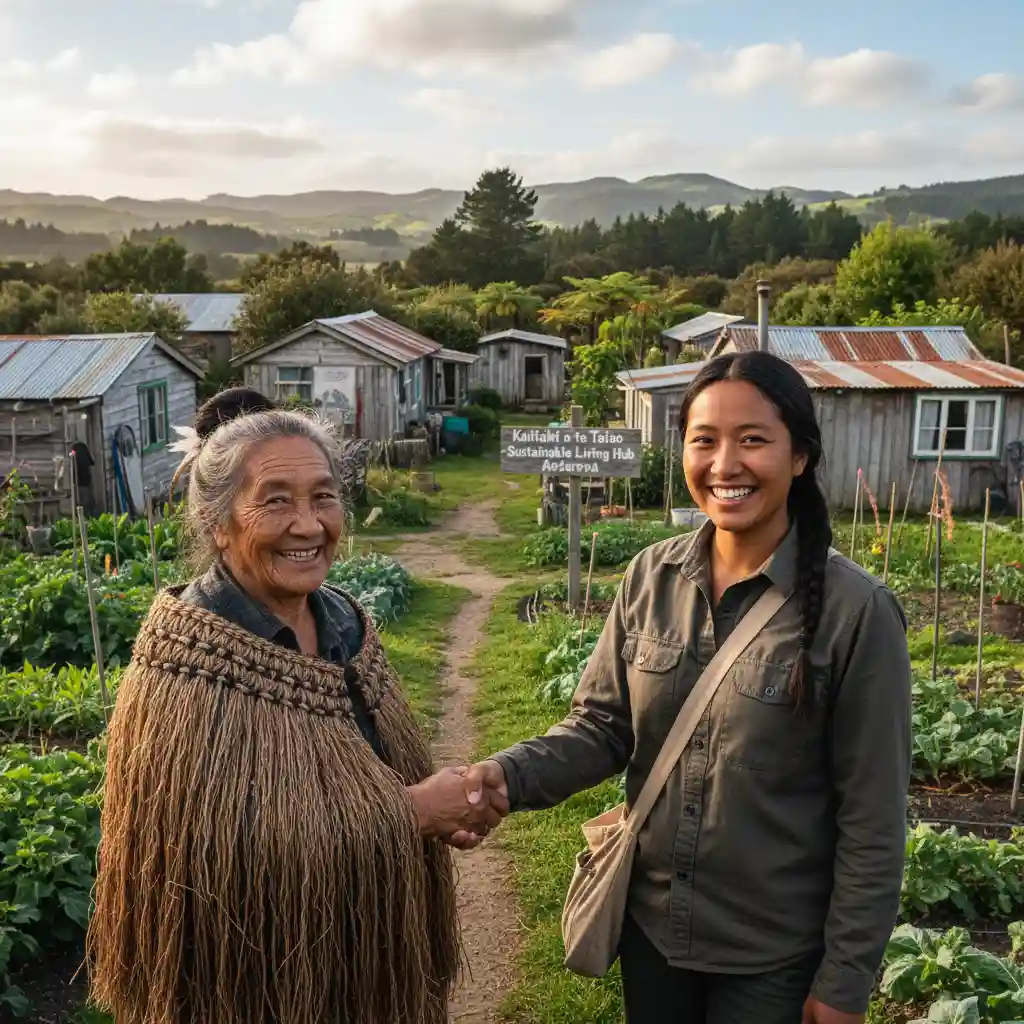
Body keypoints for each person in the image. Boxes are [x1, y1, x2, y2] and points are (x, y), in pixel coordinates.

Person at [464, 352, 912, 1024]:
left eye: (753, 439)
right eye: (704, 440)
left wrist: (845, 980)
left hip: (773, 958)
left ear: (800, 458)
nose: (724, 464)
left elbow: (872, 820)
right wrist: (504, 778)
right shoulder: (652, 576)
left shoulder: (857, 612)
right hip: (654, 934)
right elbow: (601, 726)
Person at [87, 388, 502, 1024]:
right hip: (257, 989)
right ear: (216, 525)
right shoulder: (187, 661)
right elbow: (212, 860)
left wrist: (443, 810)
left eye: (323, 497)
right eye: (275, 501)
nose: (308, 525)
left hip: (366, 964)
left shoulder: (345, 624)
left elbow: (369, 769)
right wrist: (413, 813)